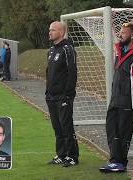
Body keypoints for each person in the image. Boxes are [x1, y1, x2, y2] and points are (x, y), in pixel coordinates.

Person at [99, 22, 133, 172]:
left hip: (130, 99)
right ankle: (115, 161)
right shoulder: (120, 50)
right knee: (111, 128)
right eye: (120, 32)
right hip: (115, 98)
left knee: (123, 131)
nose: (121, 34)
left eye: (124, 32)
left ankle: (119, 162)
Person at [45, 21, 79, 167]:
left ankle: (72, 156)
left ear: (61, 32)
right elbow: (49, 73)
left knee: (66, 127)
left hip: (63, 97)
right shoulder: (51, 50)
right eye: (49, 30)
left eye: (52, 30)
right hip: (51, 96)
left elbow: (72, 73)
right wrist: (47, 92)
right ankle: (61, 154)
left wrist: (68, 94)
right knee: (57, 128)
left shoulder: (68, 49)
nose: (50, 32)